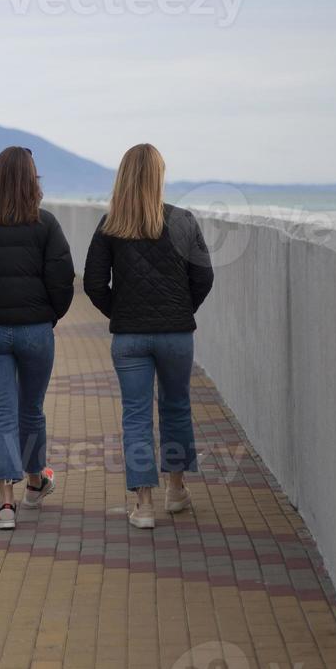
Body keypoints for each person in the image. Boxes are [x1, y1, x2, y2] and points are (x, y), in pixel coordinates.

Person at [83, 144, 214, 529]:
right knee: (175, 407)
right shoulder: (184, 221)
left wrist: (120, 313)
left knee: (136, 416)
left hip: (130, 337)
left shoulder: (110, 225)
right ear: (159, 177)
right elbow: (203, 277)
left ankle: (142, 505)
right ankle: (176, 490)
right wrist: (180, 310)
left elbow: (93, 283)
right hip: (176, 335)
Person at [0, 147, 74, 530]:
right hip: (36, 329)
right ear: (32, 182)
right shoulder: (46, 224)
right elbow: (62, 280)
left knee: (2, 415)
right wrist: (48, 315)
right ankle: (34, 481)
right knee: (32, 409)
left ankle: (5, 506)